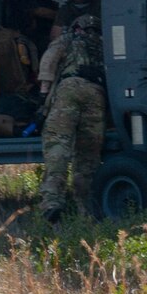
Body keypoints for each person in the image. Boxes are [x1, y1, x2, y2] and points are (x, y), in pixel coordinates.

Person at [38, 14, 106, 224]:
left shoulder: (68, 39)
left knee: (58, 145)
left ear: (77, 27)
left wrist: (43, 92)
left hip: (69, 88)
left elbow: (49, 60)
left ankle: (52, 202)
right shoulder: (103, 45)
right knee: (88, 155)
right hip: (97, 94)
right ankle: (86, 208)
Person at [37, 0, 100, 96]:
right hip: (73, 50)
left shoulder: (100, 2)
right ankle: (44, 90)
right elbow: (55, 36)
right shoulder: (65, 10)